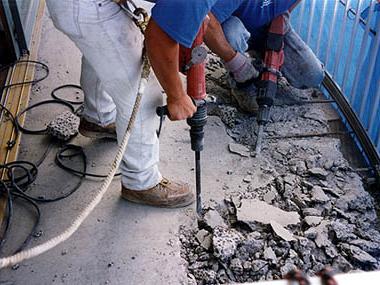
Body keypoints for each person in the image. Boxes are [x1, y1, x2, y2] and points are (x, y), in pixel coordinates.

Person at [45, 0, 218, 208]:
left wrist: (189, 16)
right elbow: (159, 39)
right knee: (144, 94)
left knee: (102, 49)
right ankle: (141, 182)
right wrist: (177, 97)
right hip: (85, 6)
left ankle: (98, 117)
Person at [203, 0, 325, 112]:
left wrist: (282, 16)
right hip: (237, 30)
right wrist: (237, 63)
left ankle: (258, 59)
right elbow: (207, 21)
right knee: (231, 31)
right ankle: (241, 81)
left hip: (269, 26)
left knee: (313, 76)